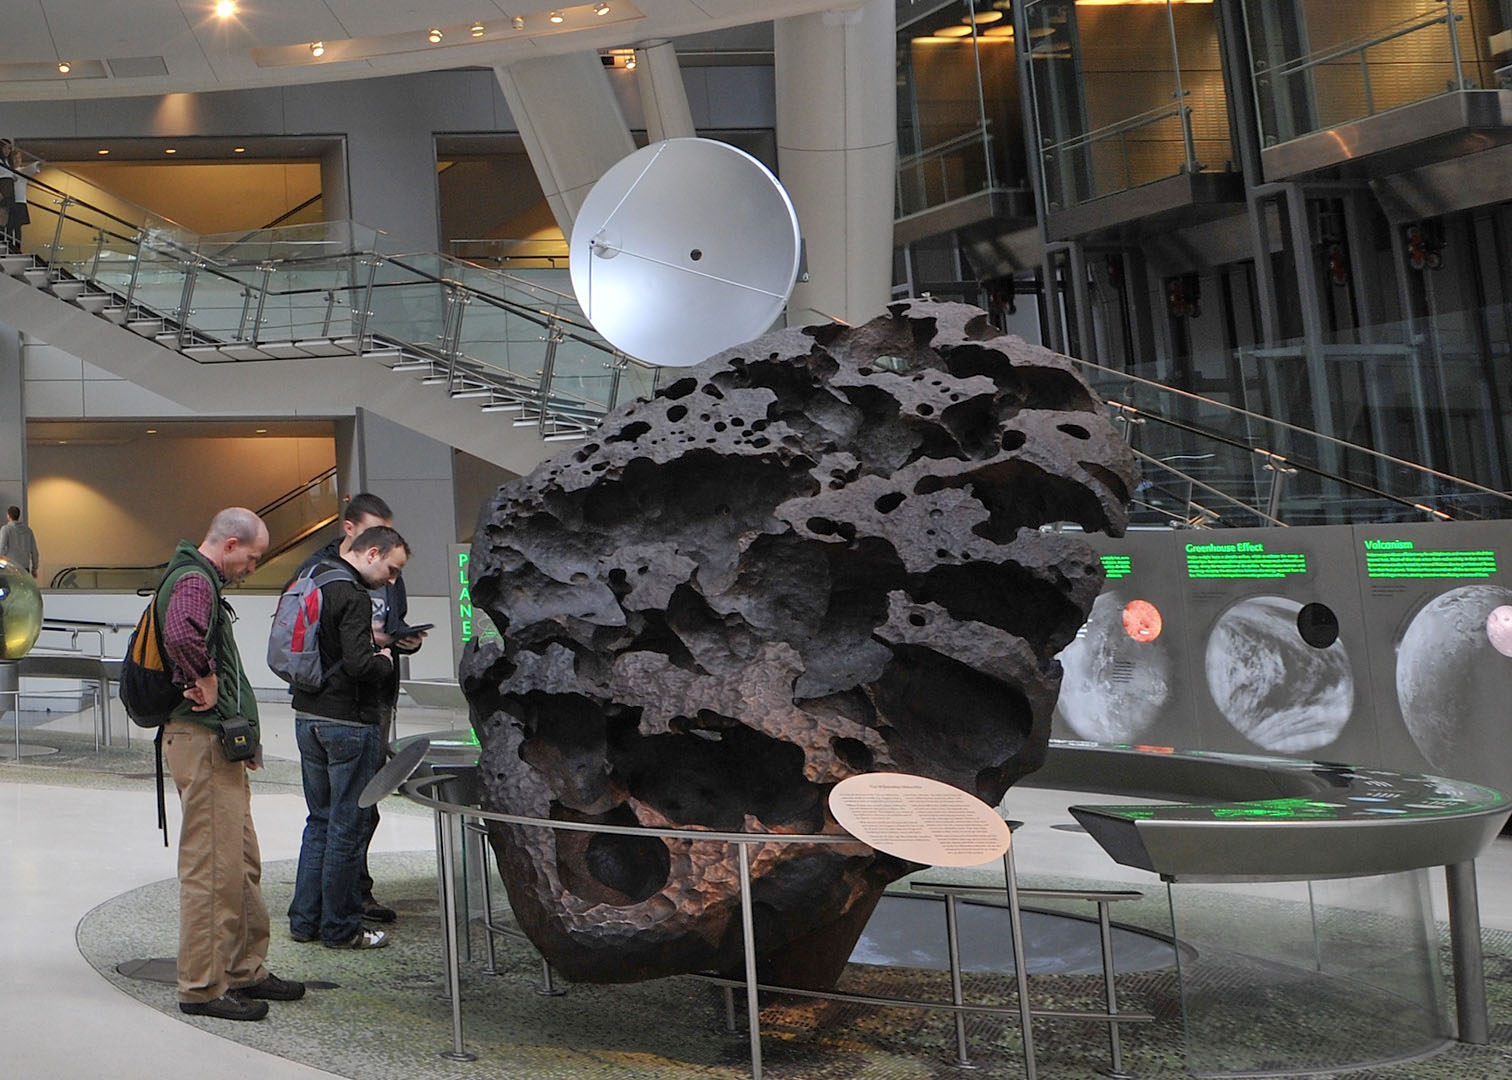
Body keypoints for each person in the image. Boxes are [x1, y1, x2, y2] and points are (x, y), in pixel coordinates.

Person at [159, 507, 305, 1022]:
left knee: (239, 862)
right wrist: (205, 677)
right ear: (229, 544)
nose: (252, 567)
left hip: (217, 746)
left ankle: (245, 969)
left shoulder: (196, 579)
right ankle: (201, 986)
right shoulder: (196, 580)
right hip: (200, 742)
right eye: (252, 557)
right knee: (211, 869)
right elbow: (181, 633)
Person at [293, 492, 427, 924]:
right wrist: (382, 661)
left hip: (308, 712)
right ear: (365, 545)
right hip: (347, 718)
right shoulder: (349, 591)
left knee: (321, 822)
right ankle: (340, 925)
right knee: (348, 823)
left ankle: (306, 919)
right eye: (390, 569)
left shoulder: (318, 579)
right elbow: (356, 661)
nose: (391, 580)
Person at [0, 141, 41, 254]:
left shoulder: (16, 170)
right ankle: (10, 247)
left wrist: (37, 164)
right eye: (15, 158)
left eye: (19, 158)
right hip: (10, 198)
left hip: (17, 201)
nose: (17, 160)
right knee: (8, 224)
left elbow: (27, 170)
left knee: (15, 227)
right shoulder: (7, 168)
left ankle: (15, 248)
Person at [0, 504, 38, 576]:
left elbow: (1, 548)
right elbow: (34, 552)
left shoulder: (6, 529)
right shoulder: (28, 531)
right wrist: (34, 568)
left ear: (8, 516)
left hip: (10, 567)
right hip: (24, 568)